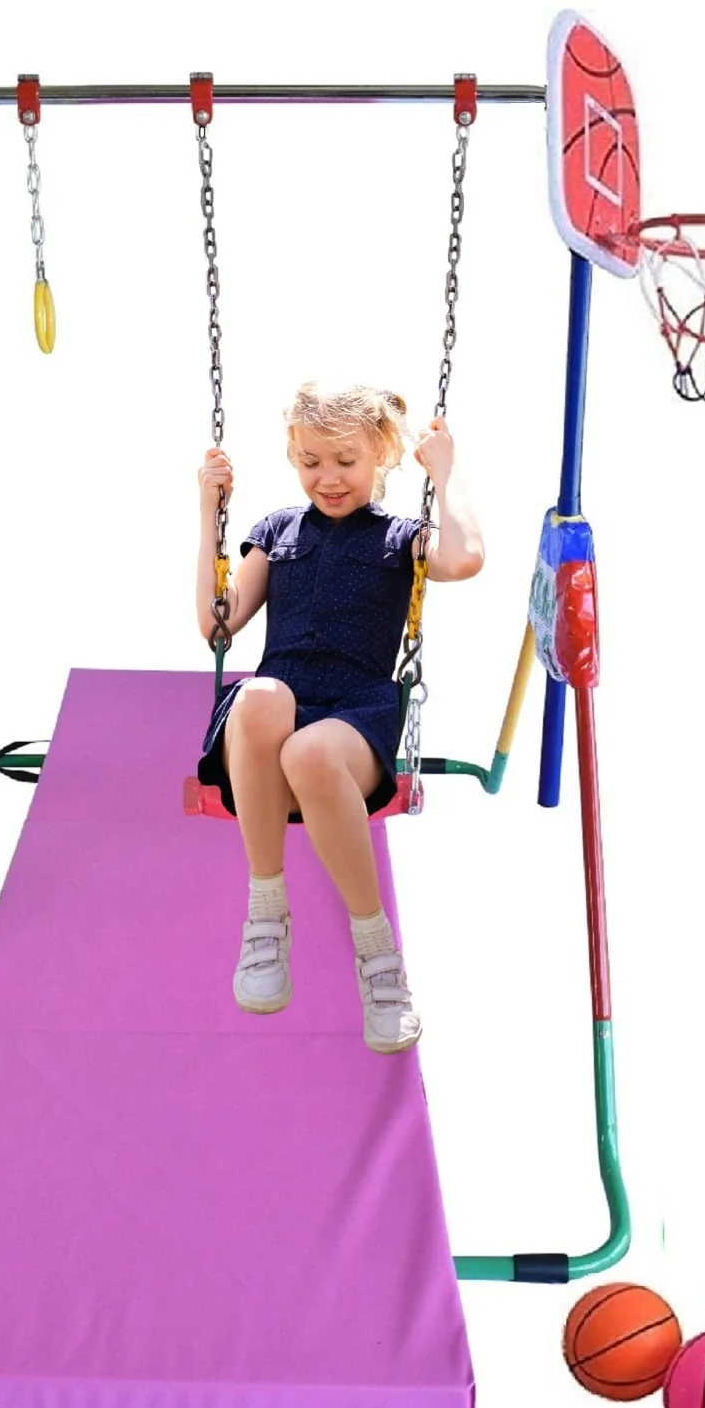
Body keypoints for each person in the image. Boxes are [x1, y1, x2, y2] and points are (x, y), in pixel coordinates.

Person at [194, 383, 484, 1053]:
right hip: (266, 730)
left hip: (353, 723)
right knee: (262, 697)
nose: (327, 477)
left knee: (312, 752)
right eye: (310, 461)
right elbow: (217, 624)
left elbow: (464, 557)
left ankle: (378, 958)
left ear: (382, 454)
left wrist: (444, 472)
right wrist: (209, 510)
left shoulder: (399, 539)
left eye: (346, 461)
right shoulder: (276, 531)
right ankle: (266, 916)